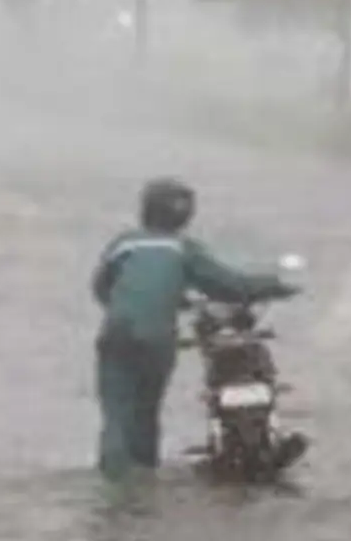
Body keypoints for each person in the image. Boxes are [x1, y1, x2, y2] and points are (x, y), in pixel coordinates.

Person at [90, 177, 296, 479]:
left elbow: (101, 288)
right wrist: (275, 286)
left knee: (116, 414)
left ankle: (114, 480)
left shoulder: (123, 243)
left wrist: (133, 307)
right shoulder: (183, 249)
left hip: (116, 333)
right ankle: (144, 480)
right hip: (157, 339)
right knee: (146, 413)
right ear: (185, 216)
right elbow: (230, 286)